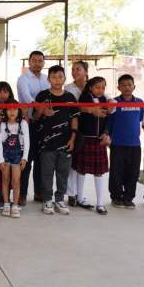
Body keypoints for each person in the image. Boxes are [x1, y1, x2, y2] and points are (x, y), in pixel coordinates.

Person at [33, 65, 78, 216]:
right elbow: (34, 117)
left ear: (65, 78)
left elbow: (74, 120)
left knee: (63, 173)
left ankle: (59, 199)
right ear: (48, 79)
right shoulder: (42, 96)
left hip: (66, 142)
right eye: (53, 77)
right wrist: (42, 110)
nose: (57, 80)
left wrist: (73, 139)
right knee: (46, 173)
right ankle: (47, 199)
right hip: (46, 143)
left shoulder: (70, 98)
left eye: (60, 77)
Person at [106, 74, 144, 210]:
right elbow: (109, 122)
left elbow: (139, 119)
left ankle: (128, 198)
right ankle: (116, 197)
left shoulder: (140, 102)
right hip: (117, 144)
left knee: (133, 172)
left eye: (129, 84)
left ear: (134, 86)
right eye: (123, 85)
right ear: (119, 87)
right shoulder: (114, 102)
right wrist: (107, 136)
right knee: (116, 172)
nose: (127, 87)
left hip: (134, 145)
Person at [74, 76, 111, 214]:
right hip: (86, 139)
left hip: (99, 140)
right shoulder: (84, 98)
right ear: (90, 87)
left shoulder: (105, 100)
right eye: (97, 87)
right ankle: (79, 197)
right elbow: (79, 111)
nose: (100, 90)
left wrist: (106, 132)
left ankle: (100, 203)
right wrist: (91, 110)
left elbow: (108, 119)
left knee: (99, 173)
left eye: (103, 87)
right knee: (81, 170)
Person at [16, 50, 49, 204]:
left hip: (44, 124)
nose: (37, 63)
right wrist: (41, 108)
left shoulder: (46, 79)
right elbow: (28, 99)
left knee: (41, 160)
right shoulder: (23, 79)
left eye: (40, 60)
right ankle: (22, 194)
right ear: (29, 62)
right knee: (26, 160)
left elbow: (51, 97)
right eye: (34, 60)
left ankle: (39, 192)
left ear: (43, 63)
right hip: (27, 123)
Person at [0, 100, 29, 219]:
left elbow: (27, 142)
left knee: (16, 181)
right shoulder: (2, 124)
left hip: (17, 155)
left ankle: (15, 205)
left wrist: (24, 158)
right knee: (5, 179)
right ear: (5, 111)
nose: (12, 112)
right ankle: (6, 203)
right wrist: (0, 160)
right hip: (5, 156)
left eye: (15, 109)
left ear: (19, 110)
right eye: (9, 109)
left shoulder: (23, 124)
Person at [64, 60, 88, 206]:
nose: (74, 72)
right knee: (71, 162)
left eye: (78, 69)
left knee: (83, 164)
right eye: (72, 69)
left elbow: (106, 99)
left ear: (86, 71)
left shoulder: (93, 86)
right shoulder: (68, 88)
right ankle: (71, 194)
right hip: (72, 128)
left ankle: (81, 194)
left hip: (89, 129)